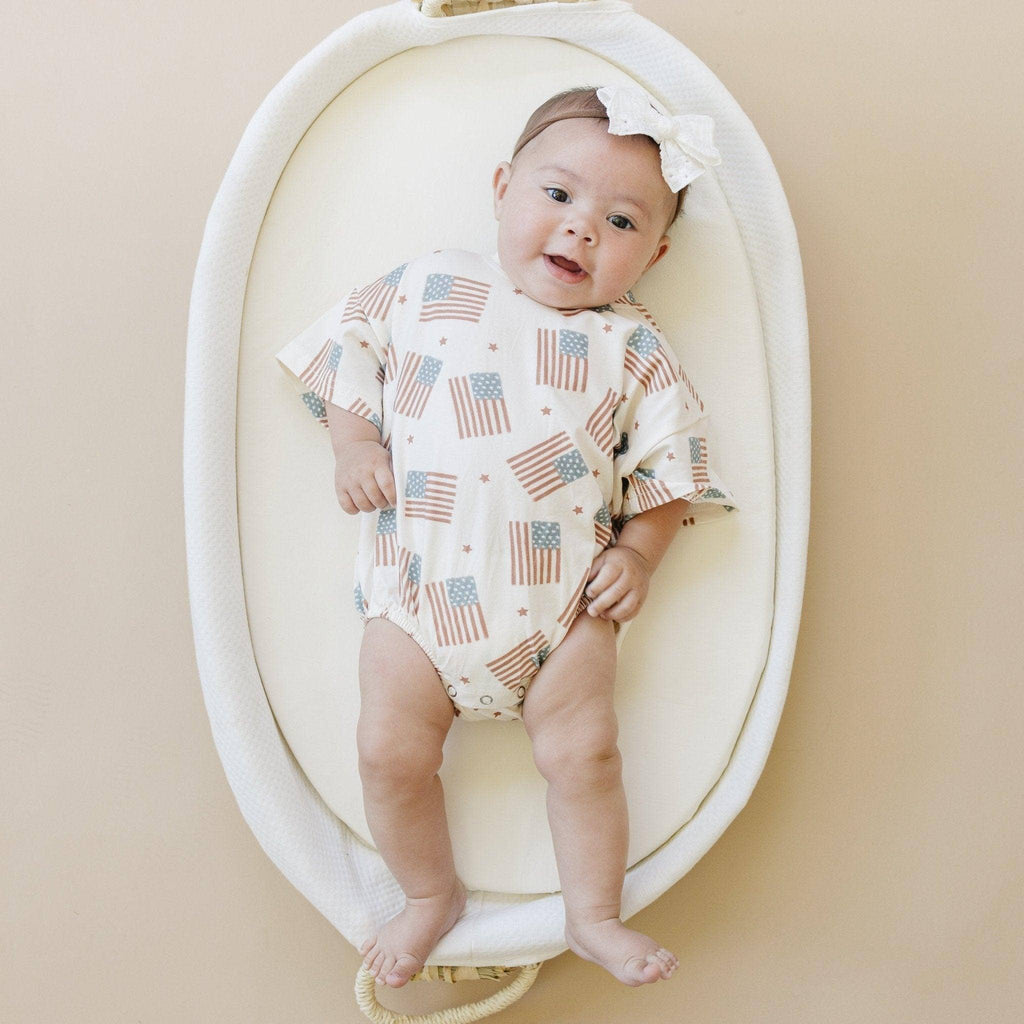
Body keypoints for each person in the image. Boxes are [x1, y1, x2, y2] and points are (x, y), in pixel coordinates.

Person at [275, 84, 735, 989]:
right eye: (557, 197)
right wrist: (355, 443)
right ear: (501, 187)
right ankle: (427, 895)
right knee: (387, 751)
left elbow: (672, 472)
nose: (579, 232)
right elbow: (344, 357)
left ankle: (594, 914)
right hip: (418, 601)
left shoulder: (633, 347)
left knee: (586, 753)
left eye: (620, 220)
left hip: (562, 613)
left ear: (657, 252)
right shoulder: (428, 283)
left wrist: (639, 553)